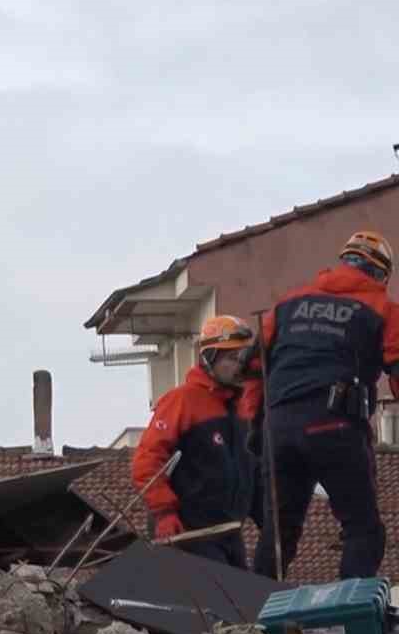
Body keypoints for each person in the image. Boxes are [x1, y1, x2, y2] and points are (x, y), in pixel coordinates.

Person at [249, 231, 399, 580]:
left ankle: (250, 619)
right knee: (364, 531)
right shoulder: (384, 309)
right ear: (380, 275)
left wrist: (253, 429)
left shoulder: (288, 303)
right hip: (336, 425)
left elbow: (255, 369)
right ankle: (351, 622)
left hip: (278, 427)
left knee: (278, 536)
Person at [131, 316, 259, 568]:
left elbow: (253, 470)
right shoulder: (182, 401)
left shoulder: (243, 408)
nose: (239, 366)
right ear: (210, 358)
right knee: (211, 603)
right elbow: (146, 462)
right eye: (232, 358)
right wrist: (164, 513)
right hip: (188, 533)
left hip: (229, 532)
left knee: (239, 601)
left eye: (242, 358)